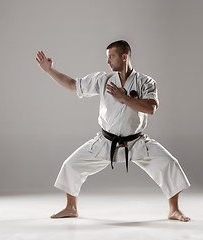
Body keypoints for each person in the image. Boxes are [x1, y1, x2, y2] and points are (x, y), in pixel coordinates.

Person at [35, 40, 191, 222]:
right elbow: (72, 84)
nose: (107, 61)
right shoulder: (103, 80)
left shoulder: (145, 82)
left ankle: (174, 210)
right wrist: (50, 71)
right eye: (107, 57)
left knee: (169, 163)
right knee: (71, 165)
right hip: (105, 141)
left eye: (111, 57)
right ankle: (71, 207)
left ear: (124, 57)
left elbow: (151, 108)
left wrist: (124, 98)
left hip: (136, 142)